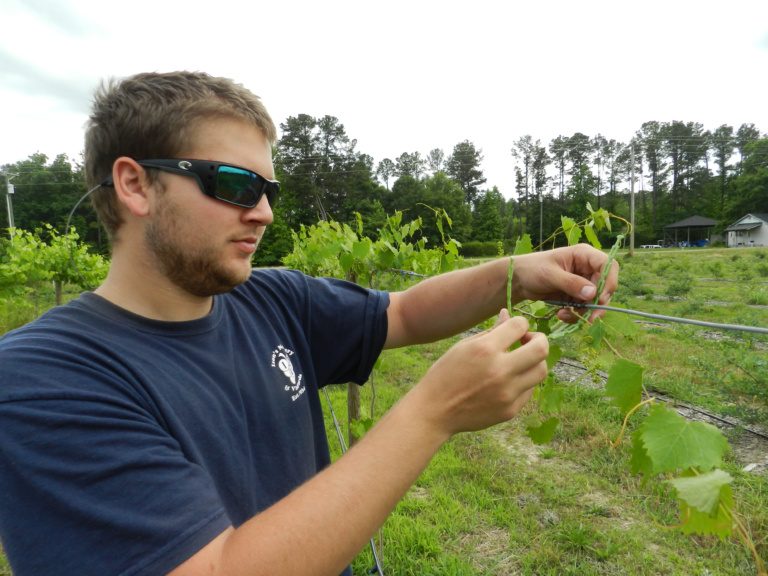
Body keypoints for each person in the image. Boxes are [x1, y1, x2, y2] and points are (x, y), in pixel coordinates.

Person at [0, 71, 618, 576]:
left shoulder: (272, 301)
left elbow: (400, 312)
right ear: (135, 184)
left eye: (268, 188)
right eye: (237, 184)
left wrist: (518, 271)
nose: (265, 212)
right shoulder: (42, 378)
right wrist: (431, 413)